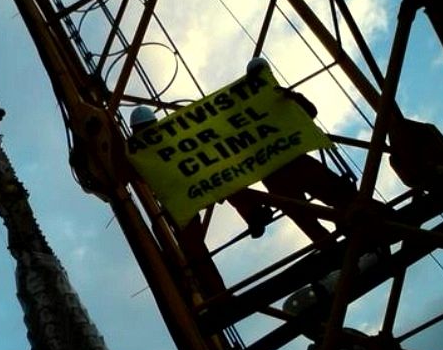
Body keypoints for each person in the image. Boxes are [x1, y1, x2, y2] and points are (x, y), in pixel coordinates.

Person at [245, 57, 358, 243]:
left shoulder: (277, 97)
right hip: (280, 168)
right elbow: (310, 112)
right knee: (309, 213)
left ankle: (351, 237)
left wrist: (292, 98)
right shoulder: (262, 102)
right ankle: (336, 250)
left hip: (287, 165)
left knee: (333, 198)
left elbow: (310, 112)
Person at [129, 105, 273, 238]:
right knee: (226, 188)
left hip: (191, 186)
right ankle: (253, 215)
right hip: (181, 193)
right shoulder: (144, 153)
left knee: (227, 184)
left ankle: (253, 215)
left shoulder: (160, 143)